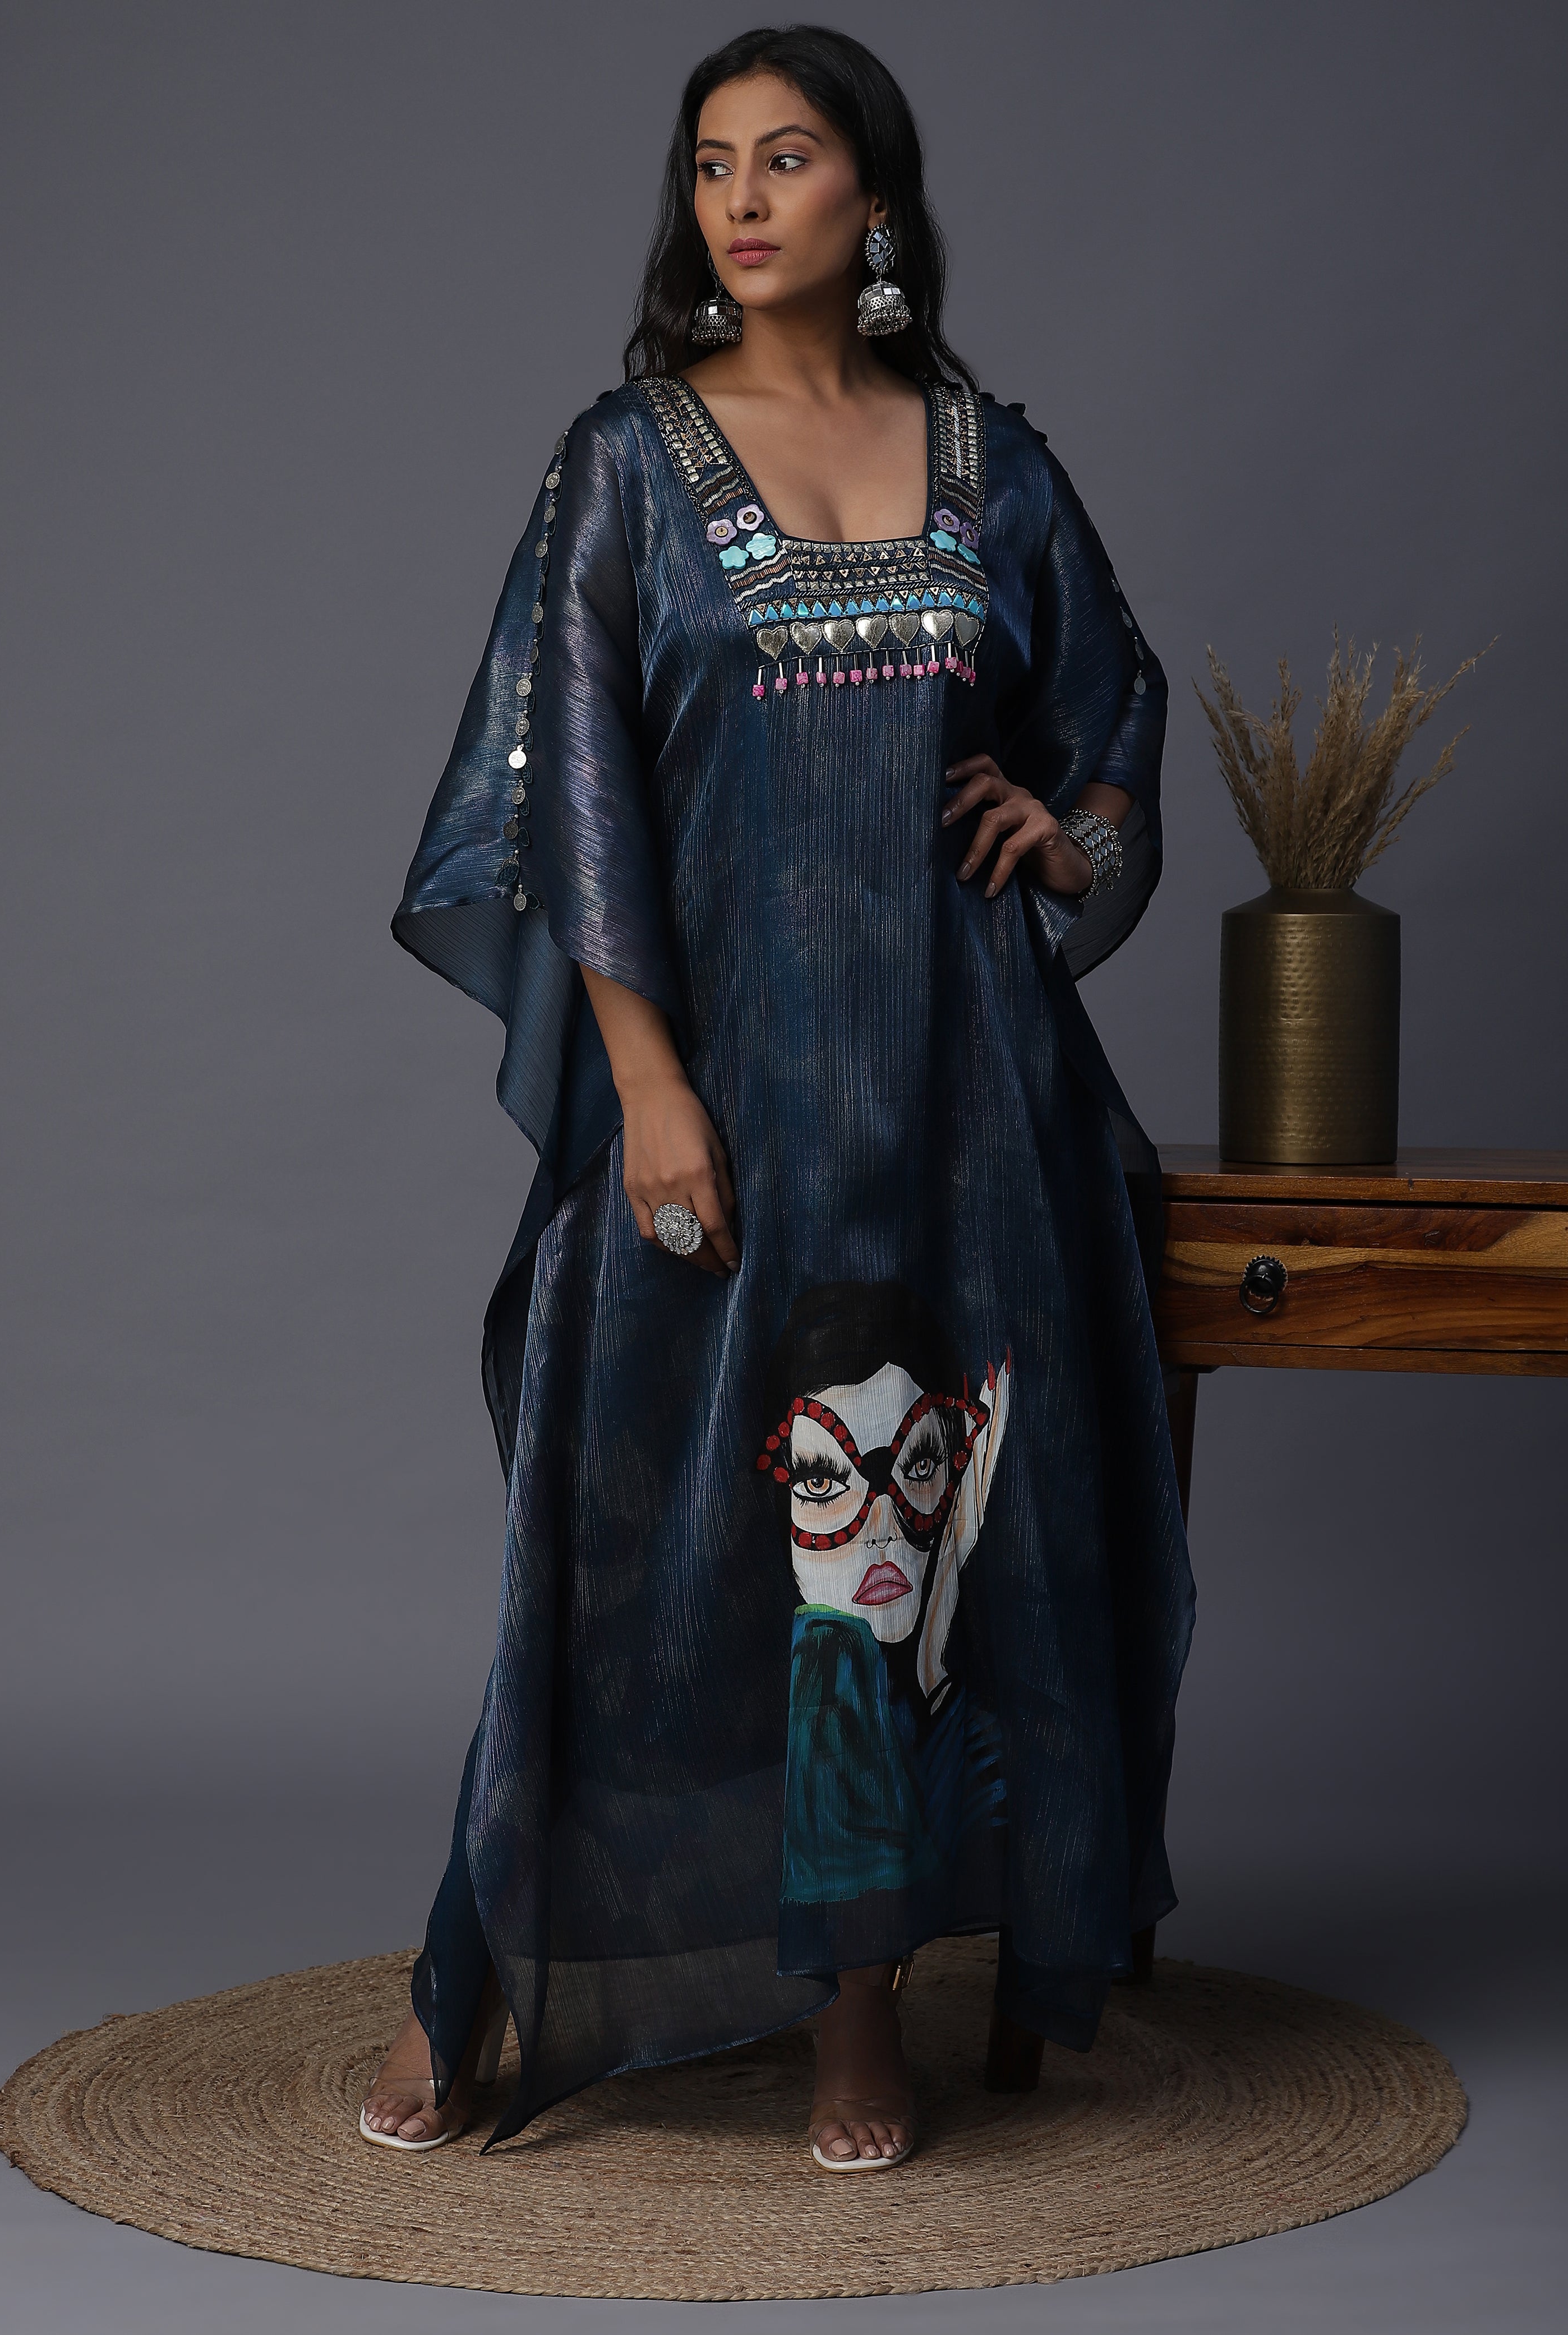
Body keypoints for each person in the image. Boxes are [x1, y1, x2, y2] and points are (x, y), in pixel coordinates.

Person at [362, 22, 1194, 2173]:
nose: (740, 198)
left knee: (908, 1546)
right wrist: (646, 1082)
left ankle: (859, 2014)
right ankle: (487, 1965)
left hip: (966, 1095)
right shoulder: (627, 464)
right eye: (713, 162)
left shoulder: (990, 460)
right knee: (650, 1534)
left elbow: (1117, 698)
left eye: (790, 158)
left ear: (876, 207)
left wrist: (1073, 833)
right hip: (719, 1082)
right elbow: (576, 786)